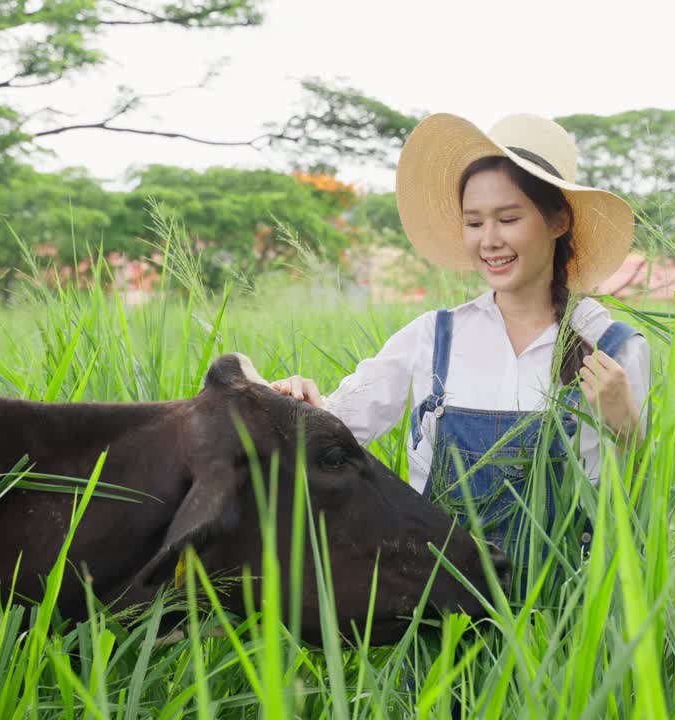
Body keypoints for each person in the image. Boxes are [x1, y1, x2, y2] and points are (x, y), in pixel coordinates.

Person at [272, 112, 649, 561]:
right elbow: (335, 429)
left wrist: (627, 424)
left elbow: (642, 500)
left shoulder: (614, 346)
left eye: (508, 219)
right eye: (474, 223)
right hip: (444, 607)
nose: (489, 240)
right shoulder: (432, 337)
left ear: (557, 222)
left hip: (567, 612)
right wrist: (296, 402)